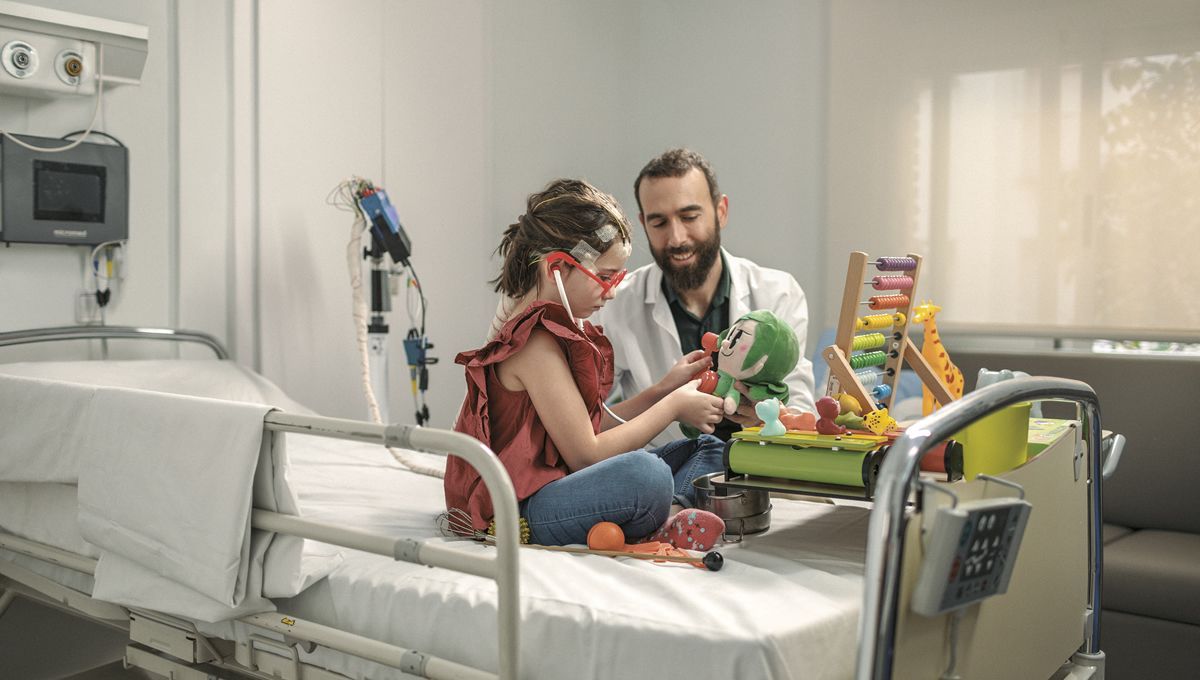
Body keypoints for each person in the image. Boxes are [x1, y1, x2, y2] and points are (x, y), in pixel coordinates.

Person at [445, 178, 728, 549]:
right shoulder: (534, 346)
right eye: (606, 277)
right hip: (524, 508)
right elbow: (585, 455)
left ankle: (671, 513)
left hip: (559, 484)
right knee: (647, 474)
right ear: (557, 268)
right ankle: (663, 513)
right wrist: (673, 407)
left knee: (709, 448)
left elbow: (588, 426)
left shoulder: (558, 332)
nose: (612, 292)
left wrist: (663, 389)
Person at [593, 148, 816, 446]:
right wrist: (665, 402)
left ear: (721, 211)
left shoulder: (778, 293)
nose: (677, 238)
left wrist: (767, 420)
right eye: (659, 223)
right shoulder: (614, 304)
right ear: (643, 223)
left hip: (760, 461)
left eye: (689, 217)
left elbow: (801, 410)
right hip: (664, 467)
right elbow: (590, 420)